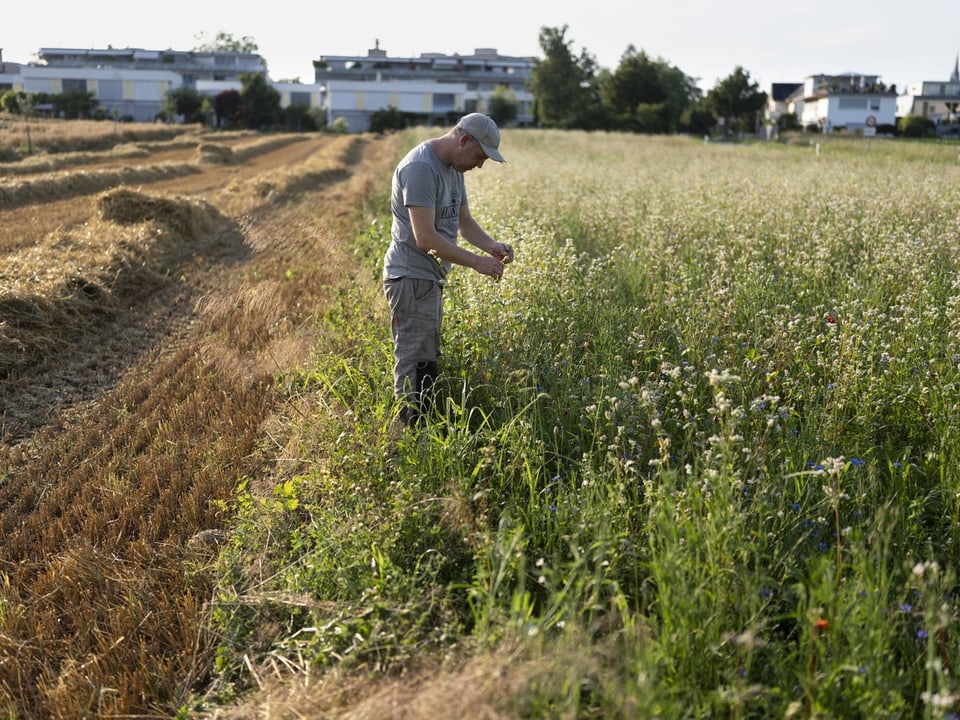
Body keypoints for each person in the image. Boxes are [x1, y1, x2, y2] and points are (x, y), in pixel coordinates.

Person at [382, 113, 514, 426]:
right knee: (413, 361)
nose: (479, 165)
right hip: (411, 278)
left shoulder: (454, 169)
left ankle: (421, 430)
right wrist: (478, 263)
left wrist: (490, 246)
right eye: (480, 156)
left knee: (426, 359)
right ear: (464, 139)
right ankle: (408, 436)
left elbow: (464, 222)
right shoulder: (421, 169)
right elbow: (425, 238)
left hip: (428, 279)